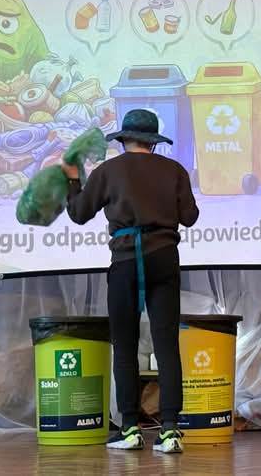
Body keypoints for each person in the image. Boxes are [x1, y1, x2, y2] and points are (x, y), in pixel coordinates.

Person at [63, 108, 199, 454]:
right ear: (153, 142)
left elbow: (79, 213)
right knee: (166, 344)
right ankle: (170, 430)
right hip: (165, 258)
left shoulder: (109, 171)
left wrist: (73, 181)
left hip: (126, 261)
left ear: (124, 139)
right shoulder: (174, 170)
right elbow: (190, 217)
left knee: (124, 345)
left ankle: (130, 428)